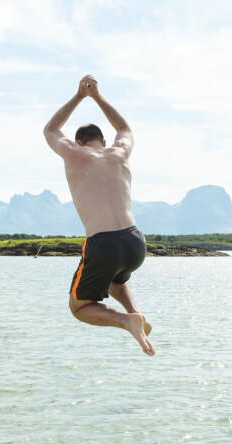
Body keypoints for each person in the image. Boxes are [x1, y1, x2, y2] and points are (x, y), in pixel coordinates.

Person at [43, 74, 154, 356]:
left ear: (79, 142)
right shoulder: (119, 152)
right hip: (135, 242)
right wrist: (98, 97)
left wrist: (80, 96)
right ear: (103, 141)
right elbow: (125, 127)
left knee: (79, 307)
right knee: (115, 279)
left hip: (103, 243)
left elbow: (51, 129)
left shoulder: (73, 153)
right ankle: (136, 313)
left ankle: (128, 320)